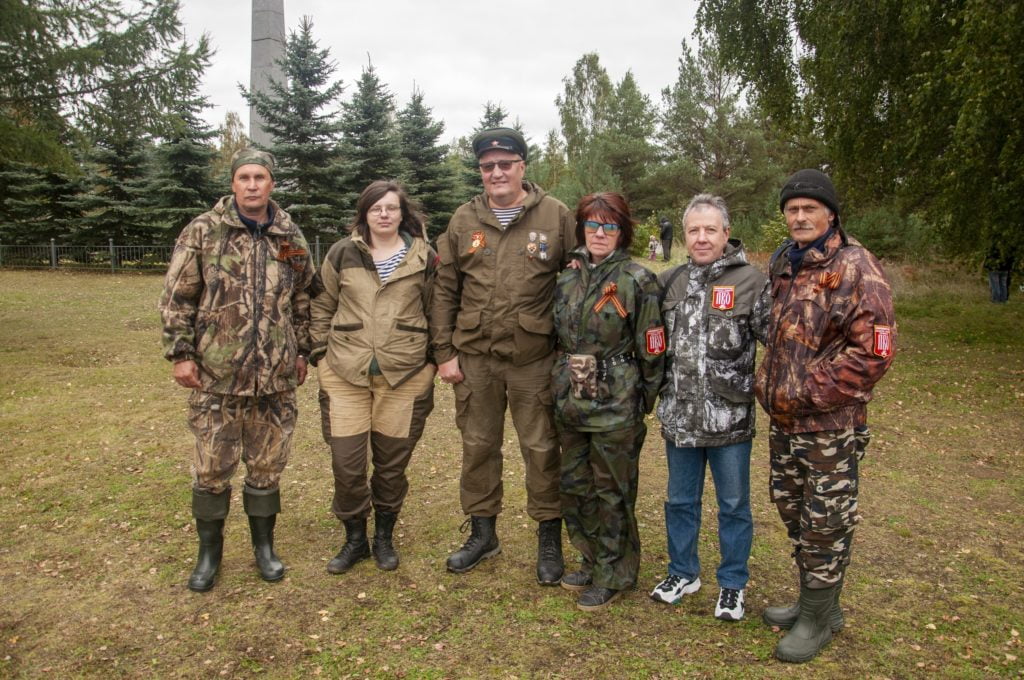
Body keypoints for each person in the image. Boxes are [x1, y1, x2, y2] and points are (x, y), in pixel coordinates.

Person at [159, 148, 316, 592]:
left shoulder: (288, 234)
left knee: (267, 467)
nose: (252, 185)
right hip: (216, 375)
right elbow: (178, 297)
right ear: (233, 183)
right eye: (244, 177)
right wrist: (181, 353)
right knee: (211, 469)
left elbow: (304, 297)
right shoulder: (204, 231)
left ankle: (264, 549)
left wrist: (302, 351)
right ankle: (209, 555)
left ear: (271, 183)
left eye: (260, 177)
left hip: (275, 377)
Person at [757, 169, 895, 663]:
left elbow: (875, 351)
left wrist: (807, 391)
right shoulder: (785, 265)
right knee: (791, 507)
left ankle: (819, 618)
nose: (798, 217)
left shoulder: (857, 266)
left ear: (830, 213)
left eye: (808, 209)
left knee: (826, 519)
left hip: (830, 424)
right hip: (784, 421)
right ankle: (816, 602)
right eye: (791, 209)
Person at [429, 127, 576, 585]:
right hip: (475, 358)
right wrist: (444, 353)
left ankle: (548, 537)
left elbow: (578, 280)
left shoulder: (555, 216)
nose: (496, 173)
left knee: (541, 448)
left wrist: (569, 352)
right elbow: (445, 289)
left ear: (521, 167)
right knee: (477, 448)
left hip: (534, 358)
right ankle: (482, 533)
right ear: (481, 171)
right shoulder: (463, 219)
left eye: (505, 164)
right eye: (488, 166)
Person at [649, 194, 769, 622]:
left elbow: (780, 339)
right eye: (693, 231)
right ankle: (683, 572)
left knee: (734, 505)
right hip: (680, 418)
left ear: (725, 233)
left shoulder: (752, 281)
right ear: (684, 236)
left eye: (710, 230)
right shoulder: (670, 281)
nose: (701, 238)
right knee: (680, 501)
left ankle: (732, 583)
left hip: (729, 420)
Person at [309, 180, 437, 574]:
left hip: (405, 376)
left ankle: (383, 537)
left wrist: (431, 362)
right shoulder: (342, 252)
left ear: (403, 213)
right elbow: (322, 303)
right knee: (347, 465)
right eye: (376, 208)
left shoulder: (425, 257)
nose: (384, 214)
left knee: (391, 465)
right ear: (364, 213)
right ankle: (354, 539)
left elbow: (438, 310)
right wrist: (319, 354)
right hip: (345, 372)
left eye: (392, 208)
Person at [552, 192, 665, 611]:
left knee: (612, 488)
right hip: (570, 396)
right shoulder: (567, 273)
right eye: (593, 225)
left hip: (617, 398)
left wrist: (644, 400)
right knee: (575, 483)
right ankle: (590, 556)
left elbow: (653, 346)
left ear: (623, 231)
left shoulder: (638, 280)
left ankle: (613, 572)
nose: (600, 233)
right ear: (581, 227)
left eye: (610, 226)